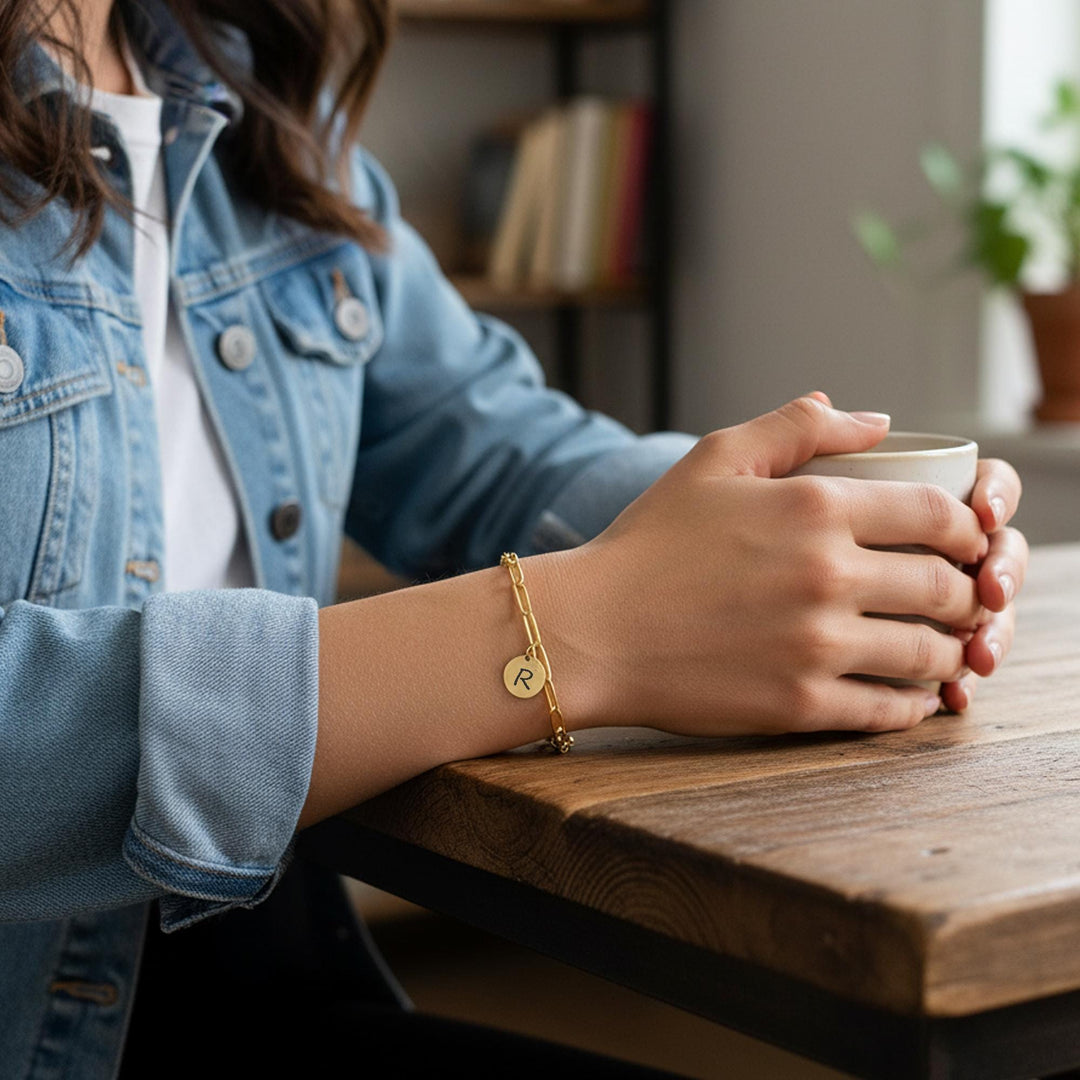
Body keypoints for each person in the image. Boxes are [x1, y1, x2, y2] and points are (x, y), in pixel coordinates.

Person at [0, 0, 1027, 1075]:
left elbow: (487, 445)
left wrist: (807, 522)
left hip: (246, 979)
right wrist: (581, 629)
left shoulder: (260, 108)